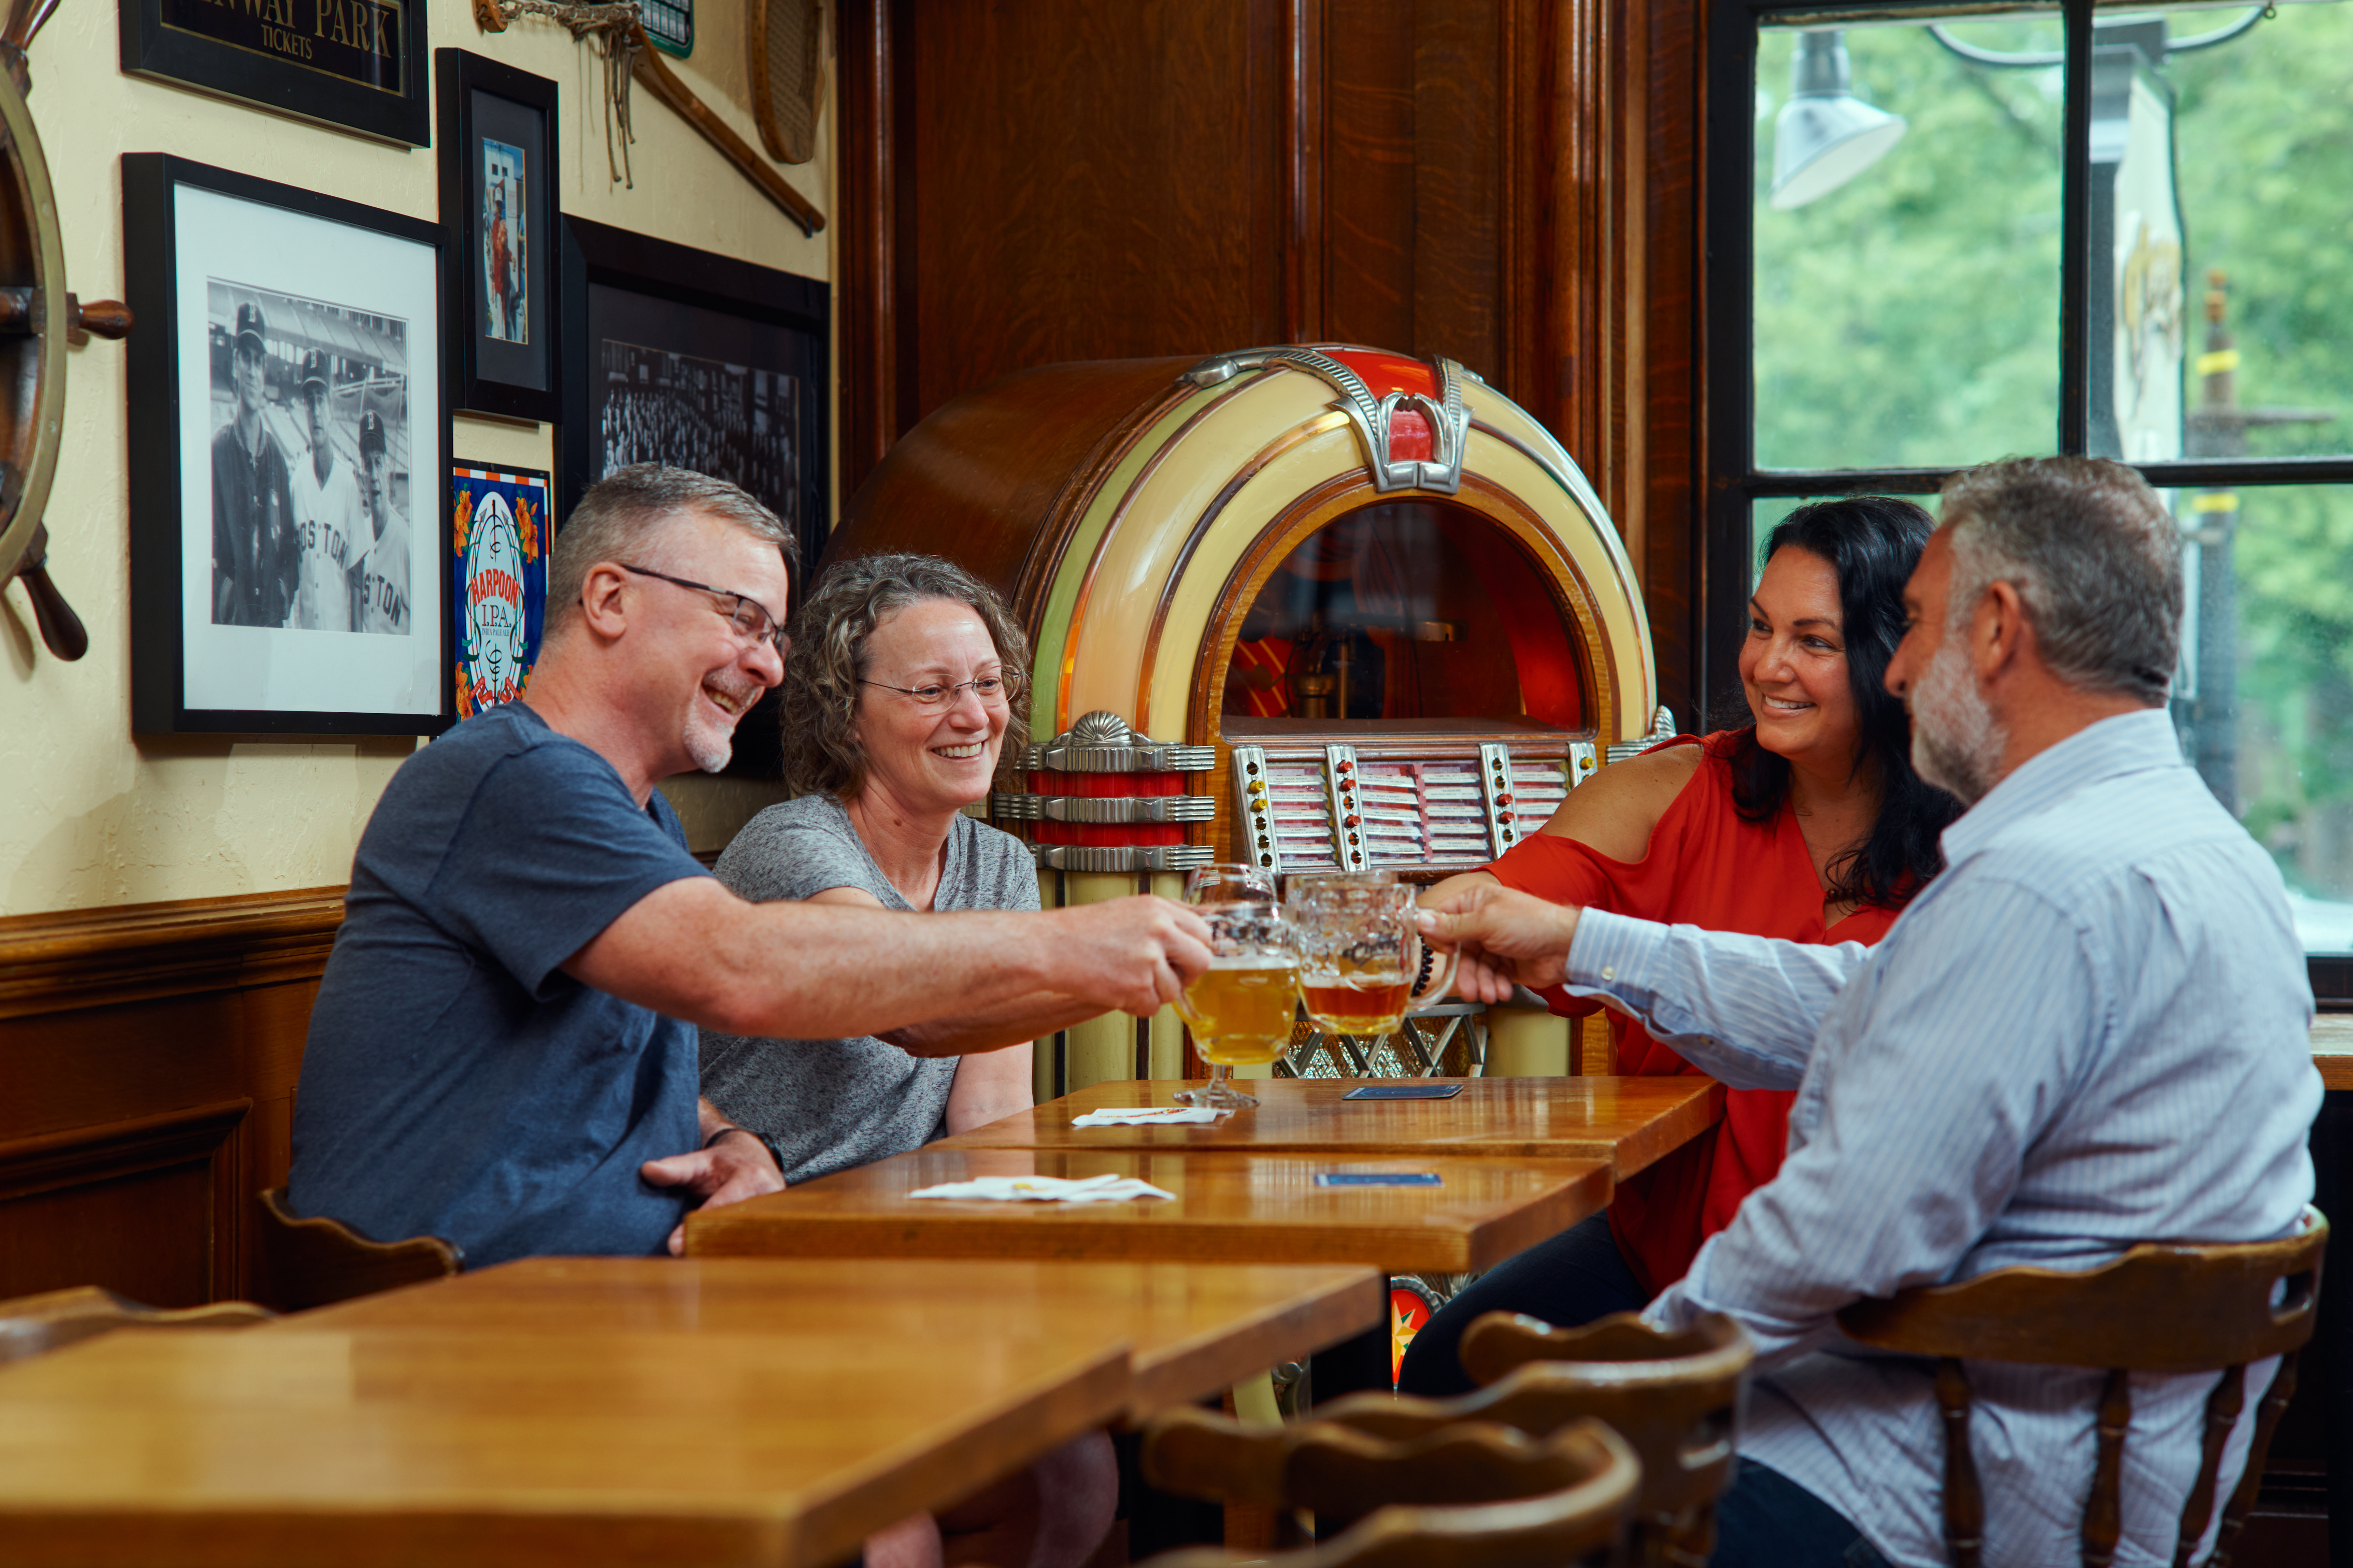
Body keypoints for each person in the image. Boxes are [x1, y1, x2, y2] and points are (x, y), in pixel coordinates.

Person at [1419, 455, 2321, 1568]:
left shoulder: (2037, 887)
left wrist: (1624, 1372)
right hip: (2087, 1459)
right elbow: (1867, 997)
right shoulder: (2189, 844)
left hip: (1947, 1481)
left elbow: (1841, 1237)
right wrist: (1582, 941)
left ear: (1996, 630)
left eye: (1916, 625)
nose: (1895, 669)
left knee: (1471, 1516)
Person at [290, 463, 1210, 1273]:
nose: (768, 665)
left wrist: (728, 1136)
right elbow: (739, 969)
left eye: (773, 634)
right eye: (741, 619)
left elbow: (602, 1065)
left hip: (609, 1291)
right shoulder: (515, 779)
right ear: (609, 599)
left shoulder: (634, 810)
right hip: (460, 1315)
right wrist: (1069, 944)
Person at [1398, 498, 1960, 1396]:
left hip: (1872, 1277)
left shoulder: (1975, 837)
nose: (1767, 665)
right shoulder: (1672, 790)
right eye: (1760, 626)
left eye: (1813, 641)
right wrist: (1424, 946)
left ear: (1900, 659)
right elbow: (1499, 900)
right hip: (1662, 1255)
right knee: (1447, 1366)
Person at [700, 553, 1040, 1182]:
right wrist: (1113, 957)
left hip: (911, 1215)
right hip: (763, 1212)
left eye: (989, 683)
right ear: (846, 716)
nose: (974, 716)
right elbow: (909, 1000)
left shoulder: (1000, 865)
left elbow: (989, 1114)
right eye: (932, 691)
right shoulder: (792, 843)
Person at [209, 301, 297, 628]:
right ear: (235, 364)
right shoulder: (217, 453)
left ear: (264, 373)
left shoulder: (278, 459)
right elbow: (204, 548)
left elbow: (290, 549)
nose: (251, 370)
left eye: (258, 361)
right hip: (232, 632)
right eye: (246, 358)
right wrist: (229, 599)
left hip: (270, 633)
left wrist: (282, 593)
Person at [289, 350, 361, 633]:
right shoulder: (296, 483)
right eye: (310, 402)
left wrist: (357, 644)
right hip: (304, 638)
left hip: (338, 640)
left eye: (320, 400)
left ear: (331, 408)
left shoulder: (348, 484)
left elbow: (357, 579)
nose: (316, 411)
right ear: (304, 410)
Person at [350, 411, 410, 635]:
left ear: (387, 470)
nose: (374, 475)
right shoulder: (361, 534)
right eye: (368, 465)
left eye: (378, 463)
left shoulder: (405, 540)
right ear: (362, 478)